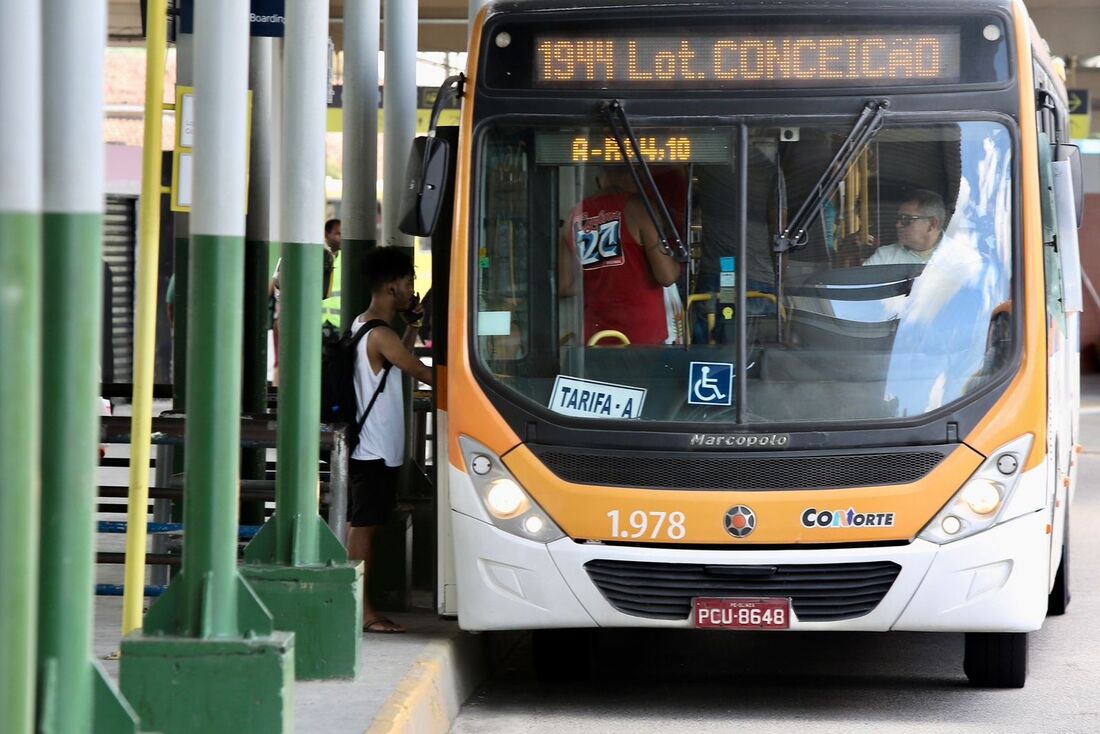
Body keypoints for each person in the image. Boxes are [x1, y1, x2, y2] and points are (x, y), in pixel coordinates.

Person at [347, 247, 432, 634]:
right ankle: (362, 612)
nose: (412, 289)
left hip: (377, 446)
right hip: (374, 448)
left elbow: (401, 361)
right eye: (409, 282)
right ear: (391, 287)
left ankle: (363, 607)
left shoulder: (365, 325)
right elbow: (421, 372)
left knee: (369, 525)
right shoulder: (379, 334)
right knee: (363, 528)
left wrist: (412, 325)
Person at [558, 166, 681, 345]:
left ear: (599, 180)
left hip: (597, 336)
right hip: (643, 335)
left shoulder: (573, 216)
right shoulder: (640, 209)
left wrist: (601, 285)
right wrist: (678, 264)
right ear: (637, 179)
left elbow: (563, 286)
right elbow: (667, 276)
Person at [863, 189, 946, 265]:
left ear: (931, 224)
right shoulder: (885, 256)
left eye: (906, 219)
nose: (898, 225)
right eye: (898, 218)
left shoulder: (955, 256)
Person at [321, 218, 343, 339]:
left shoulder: (346, 261)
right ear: (326, 234)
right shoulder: (318, 258)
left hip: (340, 324)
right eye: (337, 234)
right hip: (318, 323)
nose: (341, 237)